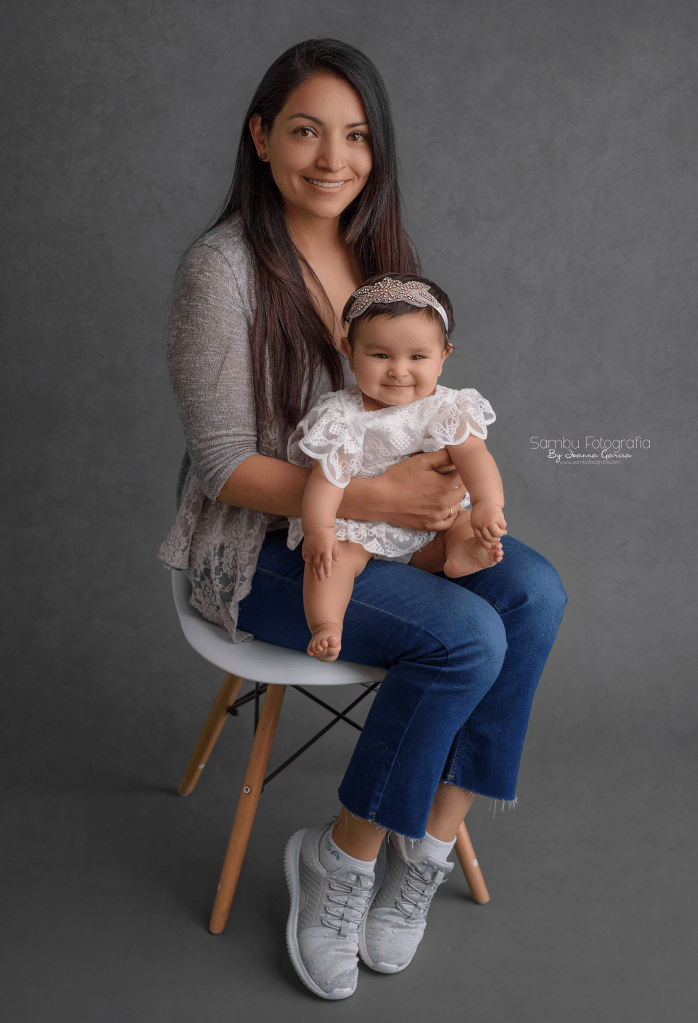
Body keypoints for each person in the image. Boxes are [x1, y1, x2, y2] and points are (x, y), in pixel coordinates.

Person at [158, 38, 567, 1001]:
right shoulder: (221, 270)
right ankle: (340, 862)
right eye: (306, 131)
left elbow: (422, 404)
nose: (332, 158)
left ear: (375, 150)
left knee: (535, 593)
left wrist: (455, 491)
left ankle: (425, 846)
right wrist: (382, 498)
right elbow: (223, 466)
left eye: (355, 136)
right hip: (265, 549)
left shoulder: (380, 256)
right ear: (261, 136)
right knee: (466, 637)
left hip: (395, 538)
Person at [288, 272, 507, 662]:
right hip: (359, 526)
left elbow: (475, 456)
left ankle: (461, 552)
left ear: (443, 357)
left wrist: (488, 504)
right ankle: (327, 625)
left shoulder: (448, 407)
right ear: (349, 351)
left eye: (417, 357)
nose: (399, 371)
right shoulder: (342, 414)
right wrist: (318, 530)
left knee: (461, 522)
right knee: (330, 561)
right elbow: (327, 479)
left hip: (429, 529)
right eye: (381, 355)